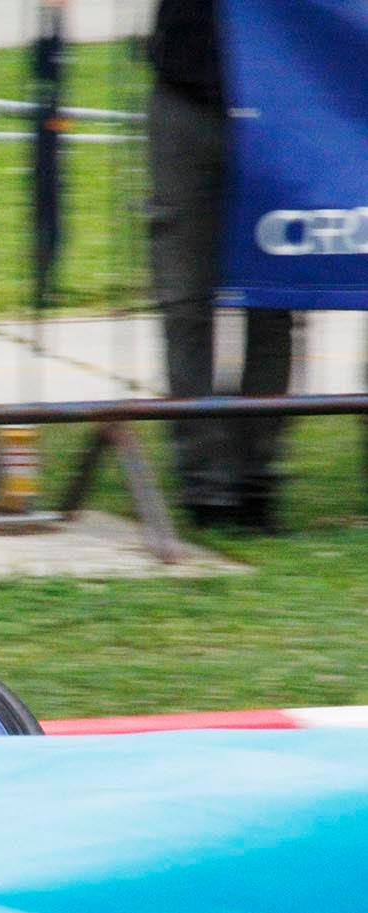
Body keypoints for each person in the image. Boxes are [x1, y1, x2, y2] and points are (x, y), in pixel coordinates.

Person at [148, 0, 295, 532]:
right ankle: (206, 483)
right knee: (185, 299)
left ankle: (255, 476)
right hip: (187, 89)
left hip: (283, 94)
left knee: (275, 299)